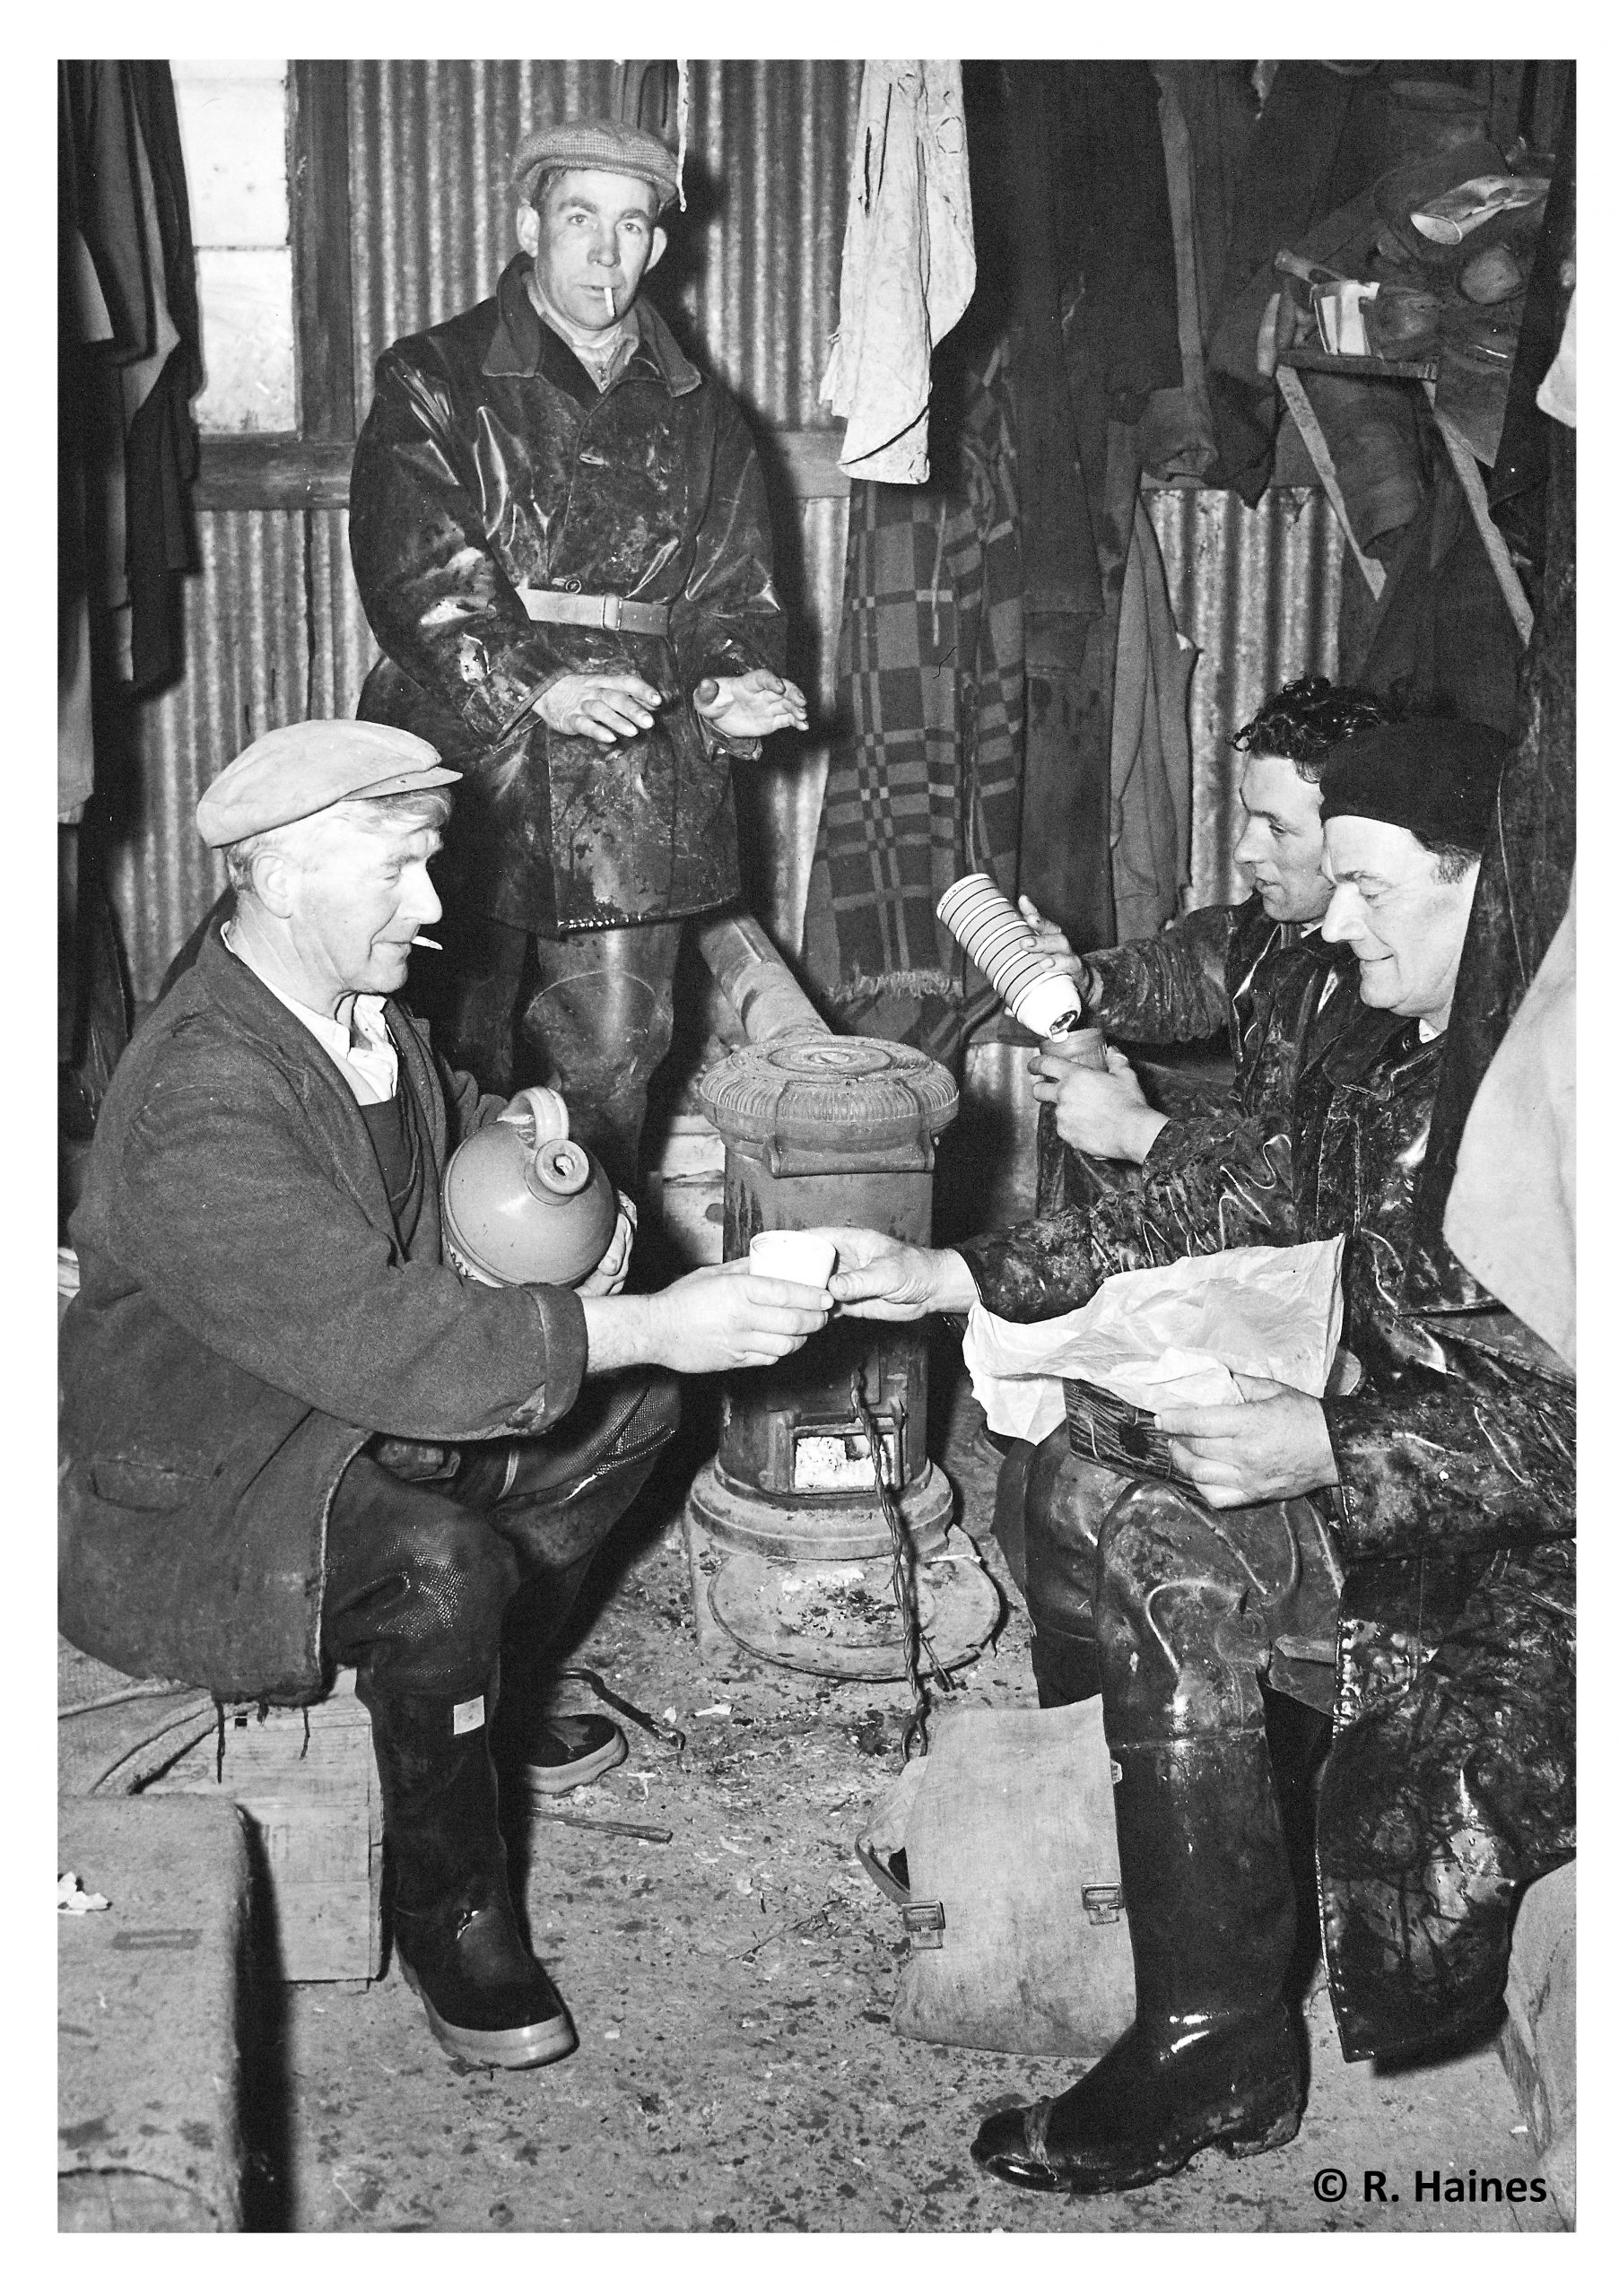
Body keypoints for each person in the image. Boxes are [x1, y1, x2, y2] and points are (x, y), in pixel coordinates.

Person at [822, 718, 1574, 2192]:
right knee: (1130, 1476)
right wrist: (958, 1280)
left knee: (1189, 1548)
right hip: (1444, 1480)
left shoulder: (1568, 1095)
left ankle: (1214, 2029)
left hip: (1548, 1558)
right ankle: (1211, 2019)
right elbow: (1237, 1188)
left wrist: (1330, 1444)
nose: (1335, 919)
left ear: (1492, 896)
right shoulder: (1429, 1068)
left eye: (1372, 888)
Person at [59, 721, 833, 2074]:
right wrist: (648, 1318)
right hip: (216, 1470)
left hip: (334, 1408)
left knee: (633, 1418)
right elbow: (374, 1331)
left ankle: (485, 1711)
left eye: (431, 864)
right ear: (280, 878)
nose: (431, 906)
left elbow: (442, 1129)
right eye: (398, 871)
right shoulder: (201, 1090)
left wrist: (529, 1131)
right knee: (443, 1563)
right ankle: (455, 1909)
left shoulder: (359, 1014)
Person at [349, 116, 808, 1189]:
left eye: (632, 224)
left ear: (657, 246)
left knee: (608, 1069)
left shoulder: (708, 417)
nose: (605, 252)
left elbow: (733, 593)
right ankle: (430, 1303)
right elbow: (414, 572)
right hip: (460, 751)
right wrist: (535, 681)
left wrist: (730, 684)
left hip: (637, 776)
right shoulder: (434, 377)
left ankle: (593, 1312)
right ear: (529, 226)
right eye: (578, 218)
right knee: (429, 1053)